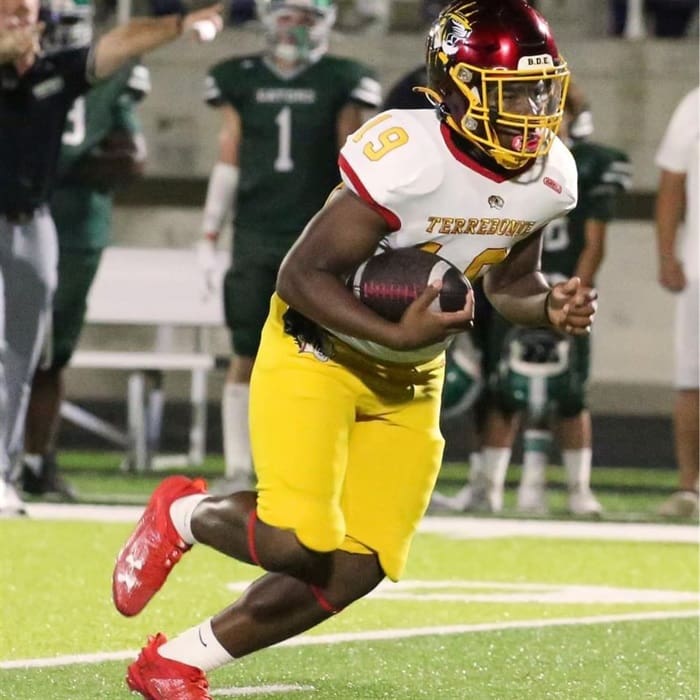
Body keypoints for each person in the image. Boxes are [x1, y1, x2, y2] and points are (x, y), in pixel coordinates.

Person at [112, 2, 598, 698]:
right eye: (513, 93)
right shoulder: (409, 154)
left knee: (358, 563)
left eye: (540, 91)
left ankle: (177, 662)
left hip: (410, 376)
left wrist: (548, 305)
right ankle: (181, 514)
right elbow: (301, 275)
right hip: (319, 350)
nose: (534, 112)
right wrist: (394, 332)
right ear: (458, 88)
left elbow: (511, 283)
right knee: (295, 539)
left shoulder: (549, 175)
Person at [0, 0, 224, 516]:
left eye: (25, 13)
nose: (19, 22)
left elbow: (117, 46)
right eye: (8, 13)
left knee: (20, 358)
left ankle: (4, 474)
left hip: (32, 221)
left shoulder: (51, 73)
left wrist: (179, 24)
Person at [196, 0, 381, 492]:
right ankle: (240, 467)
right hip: (255, 231)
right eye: (286, 14)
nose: (293, 26)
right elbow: (230, 154)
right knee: (247, 349)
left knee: (326, 352)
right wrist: (210, 232)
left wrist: (362, 231)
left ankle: (315, 465)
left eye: (304, 16)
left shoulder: (344, 77)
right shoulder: (238, 76)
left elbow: (353, 163)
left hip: (319, 234)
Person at [435, 100, 631, 516]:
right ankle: (488, 487)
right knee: (501, 390)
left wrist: (576, 291)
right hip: (508, 285)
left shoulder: (587, 165)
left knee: (569, 393)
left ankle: (577, 489)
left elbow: (593, 243)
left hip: (557, 284)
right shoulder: (504, 161)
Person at [20, 58, 151, 500]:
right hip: (19, 220)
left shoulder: (107, 74)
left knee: (49, 355)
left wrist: (48, 165)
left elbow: (130, 161)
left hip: (73, 230)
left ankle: (37, 462)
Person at [654, 86, 699, 518]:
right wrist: (667, 255)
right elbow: (671, 183)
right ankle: (689, 486)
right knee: (691, 380)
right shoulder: (695, 104)